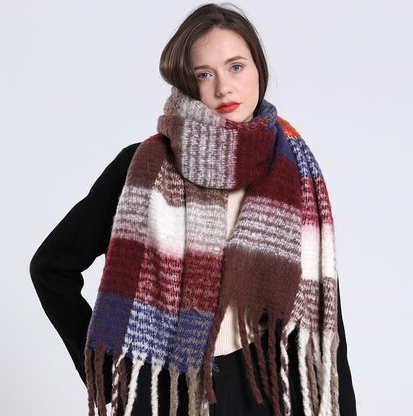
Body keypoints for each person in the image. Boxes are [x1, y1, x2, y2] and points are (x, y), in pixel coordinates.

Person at [30, 3, 356, 416]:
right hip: (171, 390)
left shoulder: (294, 170)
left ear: (258, 68)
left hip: (269, 386)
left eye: (235, 67)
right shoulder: (141, 168)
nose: (224, 88)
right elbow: (50, 268)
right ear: (187, 83)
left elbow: (326, 306)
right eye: (204, 74)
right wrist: (106, 368)